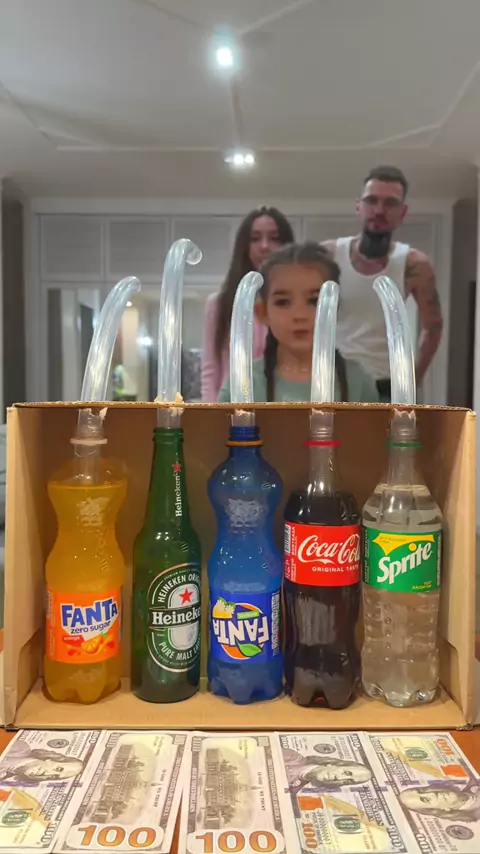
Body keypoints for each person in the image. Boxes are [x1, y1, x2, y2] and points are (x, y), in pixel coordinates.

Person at [323, 166, 443, 402]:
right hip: (335, 382)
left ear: (402, 212)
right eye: (371, 201)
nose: (379, 210)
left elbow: (434, 327)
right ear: (358, 206)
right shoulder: (328, 255)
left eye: (390, 203)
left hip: (387, 388)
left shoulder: (415, 264)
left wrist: (414, 380)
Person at [218, 242, 378, 403]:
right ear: (263, 312)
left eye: (314, 301)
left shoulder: (357, 381)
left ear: (335, 310)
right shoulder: (242, 384)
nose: (300, 315)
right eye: (283, 302)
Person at [201, 207, 295, 401]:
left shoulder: (297, 305)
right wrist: (211, 412)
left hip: (283, 404)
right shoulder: (220, 304)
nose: (264, 246)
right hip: (230, 406)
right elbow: (210, 369)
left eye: (274, 238)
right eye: (255, 238)